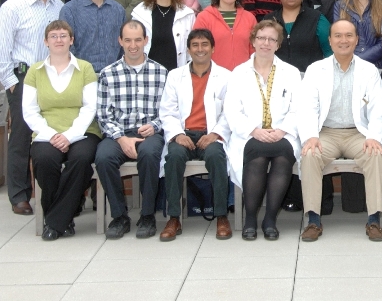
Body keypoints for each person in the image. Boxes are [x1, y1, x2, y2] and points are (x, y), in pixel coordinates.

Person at [297, 20, 382, 242]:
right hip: (325, 133)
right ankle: (313, 220)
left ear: (357, 40)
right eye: (338, 36)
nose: (343, 40)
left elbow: (378, 108)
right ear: (330, 40)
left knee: (375, 154)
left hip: (358, 133)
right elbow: (307, 107)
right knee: (309, 155)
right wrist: (310, 136)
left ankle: (374, 219)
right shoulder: (315, 69)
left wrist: (374, 137)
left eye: (349, 35)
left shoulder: (370, 71)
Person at [0, 0, 63, 215]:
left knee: (51, 132)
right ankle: (19, 195)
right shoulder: (12, 8)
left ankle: (53, 191)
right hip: (23, 79)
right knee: (21, 137)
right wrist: (11, 85)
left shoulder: (59, 7)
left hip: (54, 77)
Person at [223, 20, 302, 241]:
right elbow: (232, 110)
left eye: (271, 39)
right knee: (256, 155)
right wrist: (253, 131)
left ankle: (269, 219)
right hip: (250, 135)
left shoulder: (291, 73)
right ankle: (250, 219)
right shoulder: (238, 73)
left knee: (282, 156)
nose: (266, 43)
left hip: (282, 133)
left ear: (278, 45)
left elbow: (299, 108)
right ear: (253, 41)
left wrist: (283, 130)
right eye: (261, 38)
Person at [23, 20, 101, 240]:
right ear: (45, 41)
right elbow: (29, 112)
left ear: (71, 40)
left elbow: (90, 108)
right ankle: (66, 214)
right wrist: (52, 135)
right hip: (47, 132)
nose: (59, 40)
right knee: (44, 161)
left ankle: (55, 222)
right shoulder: (34, 72)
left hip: (83, 131)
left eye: (63, 35)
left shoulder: (85, 68)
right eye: (54, 36)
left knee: (81, 159)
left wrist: (68, 135)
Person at [95, 20, 169, 240]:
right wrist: (120, 138)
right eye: (128, 40)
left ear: (146, 41)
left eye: (138, 40)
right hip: (119, 133)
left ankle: (147, 215)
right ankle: (119, 216)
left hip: (150, 133)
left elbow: (169, 111)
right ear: (120, 41)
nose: (133, 45)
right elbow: (103, 114)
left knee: (149, 154)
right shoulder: (108, 74)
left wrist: (155, 125)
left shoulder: (162, 72)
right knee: (103, 157)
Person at [158, 29, 233, 241]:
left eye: (204, 44)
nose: (200, 49)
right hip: (183, 134)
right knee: (173, 158)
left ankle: (221, 215)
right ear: (188, 49)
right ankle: (174, 217)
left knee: (216, 157)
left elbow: (230, 112)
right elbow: (167, 111)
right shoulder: (175, 76)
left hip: (211, 134)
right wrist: (177, 134)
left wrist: (216, 133)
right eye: (195, 45)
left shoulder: (226, 76)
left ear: (213, 48)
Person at [59, 0, 125, 74]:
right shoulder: (69, 10)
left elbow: (123, 47)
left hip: (114, 77)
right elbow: (66, 47)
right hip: (81, 77)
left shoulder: (118, 10)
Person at [131, 0, 195, 71]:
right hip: (148, 76)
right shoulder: (139, 13)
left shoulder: (187, 15)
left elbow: (191, 51)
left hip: (177, 76)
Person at [265, 0, 332, 74]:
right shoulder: (268, 20)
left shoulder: (317, 19)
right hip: (275, 81)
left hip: (310, 80)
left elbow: (330, 53)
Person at [193, 0, 256, 71]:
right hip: (214, 79)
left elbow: (254, 52)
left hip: (243, 79)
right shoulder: (204, 17)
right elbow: (199, 51)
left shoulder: (250, 18)